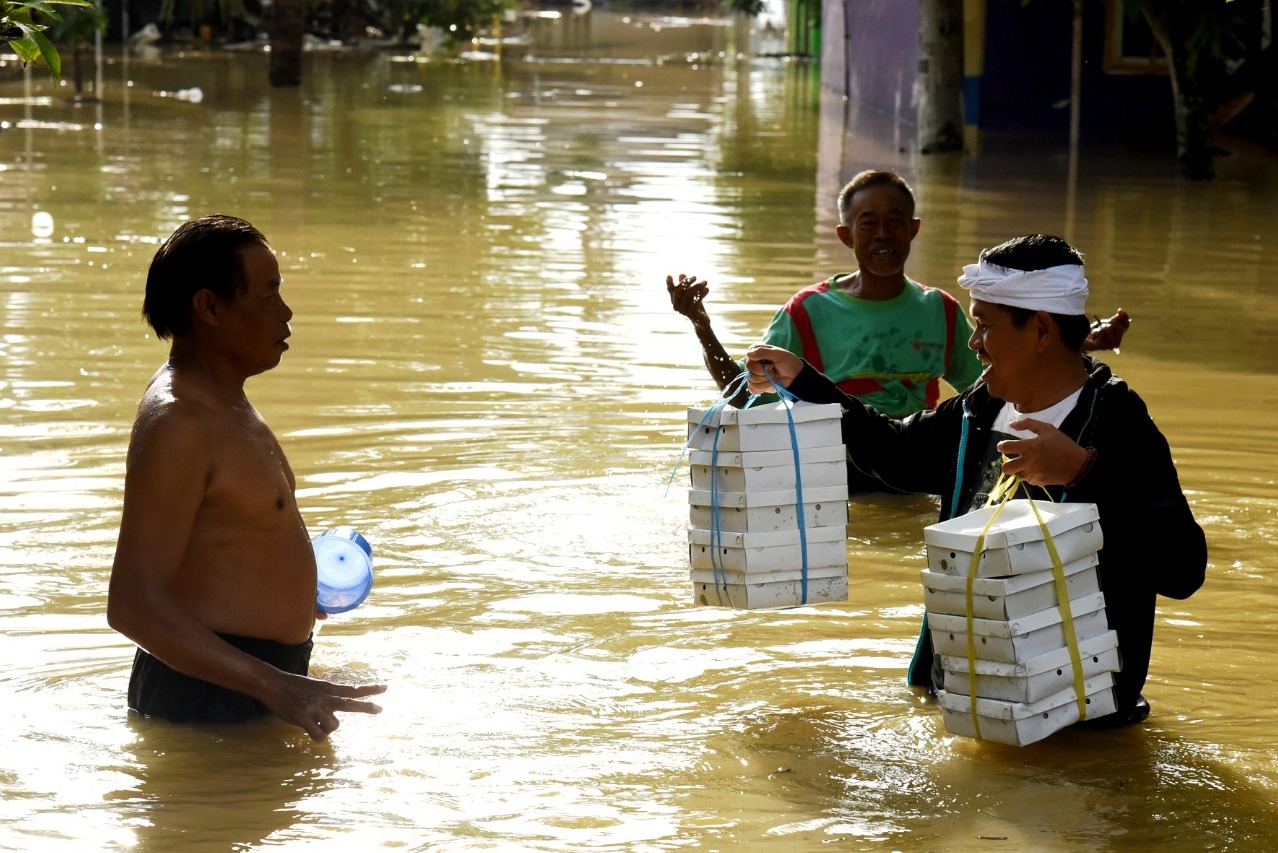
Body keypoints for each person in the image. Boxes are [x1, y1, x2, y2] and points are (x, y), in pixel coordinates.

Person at [742, 234, 1206, 726]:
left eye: (984, 325)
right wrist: (805, 384)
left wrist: (1084, 473)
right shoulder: (980, 406)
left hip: (1079, 724)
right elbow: (897, 454)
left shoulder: (1117, 420)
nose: (973, 342)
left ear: (1041, 330)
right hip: (968, 701)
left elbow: (1183, 570)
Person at [667, 169, 1130, 488]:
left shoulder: (940, 313)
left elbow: (1016, 378)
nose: (884, 236)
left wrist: (1073, 350)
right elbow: (745, 395)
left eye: (895, 223)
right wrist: (705, 329)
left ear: (914, 230)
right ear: (846, 236)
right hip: (845, 468)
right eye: (869, 224)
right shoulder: (809, 312)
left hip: (907, 465)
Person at [107, 215, 386, 740]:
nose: (285, 313)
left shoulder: (225, 401)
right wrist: (276, 685)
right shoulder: (179, 423)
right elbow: (132, 605)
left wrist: (296, 591)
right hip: (207, 704)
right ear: (210, 307)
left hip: (249, 686)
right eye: (267, 296)